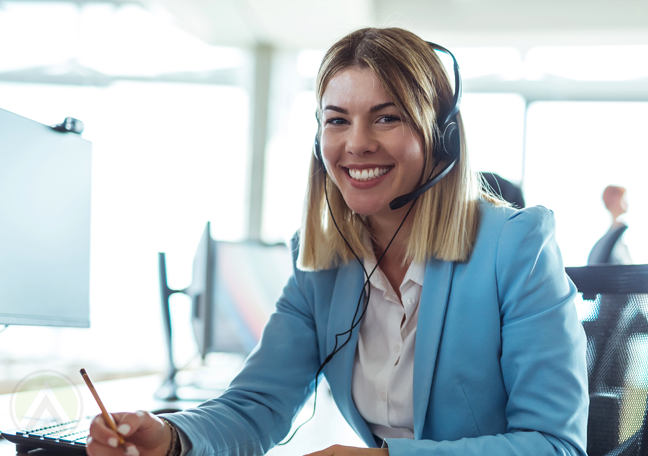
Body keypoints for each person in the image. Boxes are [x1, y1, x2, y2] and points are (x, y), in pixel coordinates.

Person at [87, 28, 588, 456]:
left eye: (387, 117)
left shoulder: (516, 247)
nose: (356, 143)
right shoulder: (322, 264)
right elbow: (257, 405)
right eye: (337, 119)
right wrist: (173, 437)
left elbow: (554, 444)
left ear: (441, 137)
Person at [588, 185, 632, 265]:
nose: (627, 203)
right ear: (615, 200)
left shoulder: (607, 239)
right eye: (623, 198)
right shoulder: (617, 231)